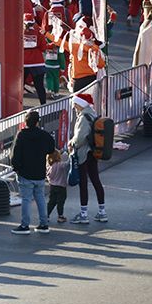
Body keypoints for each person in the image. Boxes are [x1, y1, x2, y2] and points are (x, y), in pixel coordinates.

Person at [10, 110, 55, 234]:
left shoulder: (21, 135)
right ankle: (44, 223)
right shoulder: (45, 135)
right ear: (37, 122)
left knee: (26, 199)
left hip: (25, 172)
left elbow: (15, 155)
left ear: (26, 122)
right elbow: (51, 148)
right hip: (40, 172)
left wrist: (16, 167)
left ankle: (25, 225)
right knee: (40, 198)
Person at [70, 93, 107, 224]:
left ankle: (84, 214)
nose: (74, 107)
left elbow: (80, 138)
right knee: (96, 181)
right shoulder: (92, 113)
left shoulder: (83, 117)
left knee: (83, 183)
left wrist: (72, 143)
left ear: (80, 104)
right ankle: (102, 212)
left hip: (84, 153)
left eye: (75, 104)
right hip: (93, 152)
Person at [46, 149, 69, 223]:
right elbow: (67, 164)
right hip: (61, 186)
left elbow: (49, 176)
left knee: (51, 201)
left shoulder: (50, 166)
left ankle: (46, 215)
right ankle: (60, 216)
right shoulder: (60, 165)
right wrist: (71, 156)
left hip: (52, 186)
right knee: (60, 202)